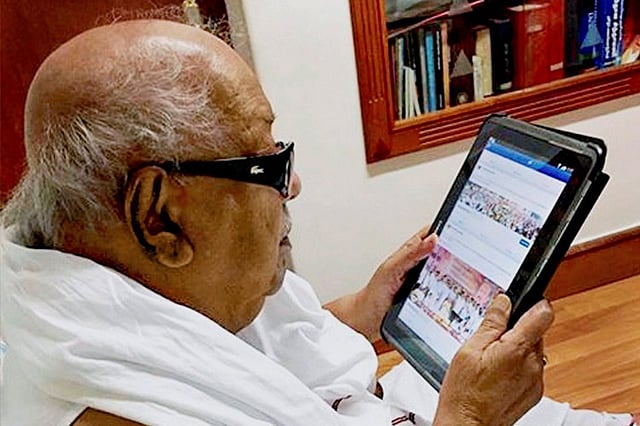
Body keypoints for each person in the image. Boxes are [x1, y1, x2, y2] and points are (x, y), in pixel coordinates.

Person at [0, 19, 635, 426]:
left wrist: (364, 310)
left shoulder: (101, 271)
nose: (293, 185)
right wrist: (469, 418)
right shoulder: (113, 408)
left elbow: (242, 354)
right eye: (268, 164)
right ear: (160, 216)